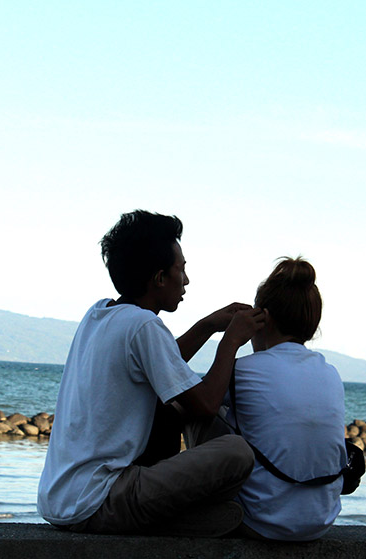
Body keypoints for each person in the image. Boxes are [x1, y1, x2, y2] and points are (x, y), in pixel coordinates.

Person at [37, 210, 265, 537]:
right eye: (180, 269)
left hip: (60, 501)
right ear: (159, 278)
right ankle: (172, 520)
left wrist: (208, 326)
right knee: (237, 453)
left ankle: (169, 518)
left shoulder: (100, 314)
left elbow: (161, 363)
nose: (185, 280)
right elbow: (205, 405)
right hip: (101, 500)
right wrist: (230, 341)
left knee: (170, 408)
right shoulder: (144, 325)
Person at [225, 257, 346, 541]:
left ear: (262, 319)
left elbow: (196, 402)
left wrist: (231, 341)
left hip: (261, 522)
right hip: (321, 521)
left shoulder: (242, 370)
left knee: (204, 415)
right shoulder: (330, 373)